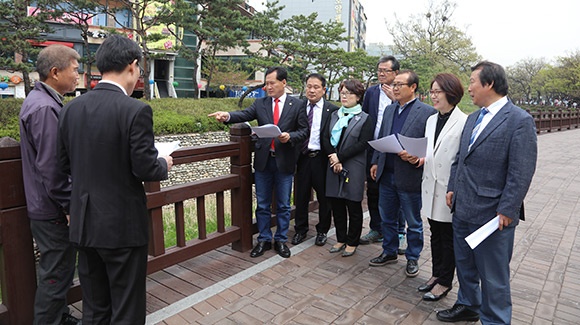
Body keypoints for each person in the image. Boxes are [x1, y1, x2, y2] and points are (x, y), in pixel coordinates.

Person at [57, 35, 173, 324]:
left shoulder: (71, 109)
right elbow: (146, 168)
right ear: (132, 66)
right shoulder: (135, 110)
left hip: (85, 223)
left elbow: (62, 164)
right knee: (127, 308)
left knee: (94, 307)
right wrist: (164, 163)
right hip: (122, 225)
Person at [437, 61, 537, 324]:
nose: (468, 87)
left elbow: (521, 170)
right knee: (466, 265)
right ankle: (468, 304)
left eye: (472, 81)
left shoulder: (519, 120)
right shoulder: (473, 118)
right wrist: (452, 188)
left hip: (493, 214)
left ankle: (495, 319)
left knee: (494, 275)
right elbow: (460, 158)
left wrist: (508, 208)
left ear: (489, 83)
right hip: (463, 206)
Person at [209, 67, 308, 258]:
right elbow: (244, 114)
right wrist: (227, 116)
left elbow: (304, 131)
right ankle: (263, 239)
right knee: (262, 204)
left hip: (284, 161)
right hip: (264, 161)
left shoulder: (297, 105)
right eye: (266, 83)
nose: (267, 87)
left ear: (284, 83)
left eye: (272, 83)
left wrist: (290, 136)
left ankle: (280, 239)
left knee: (284, 204)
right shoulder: (261, 103)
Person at [19, 45, 81, 325]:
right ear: (55, 73)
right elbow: (52, 167)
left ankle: (61, 317)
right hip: (51, 208)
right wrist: (68, 204)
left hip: (45, 204)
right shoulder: (45, 108)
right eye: (75, 69)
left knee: (59, 271)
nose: (78, 75)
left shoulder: (42, 101)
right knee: (55, 275)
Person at [368, 70, 435, 277]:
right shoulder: (390, 109)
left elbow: (432, 145)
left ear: (413, 87)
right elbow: (383, 136)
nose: (394, 88)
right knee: (387, 217)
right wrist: (376, 161)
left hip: (409, 173)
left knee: (413, 222)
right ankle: (389, 251)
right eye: (394, 85)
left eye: (399, 85)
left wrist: (418, 158)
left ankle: (413, 257)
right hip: (386, 172)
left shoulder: (427, 112)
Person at [413, 73, 467, 301]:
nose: (432, 96)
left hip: (447, 188)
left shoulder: (464, 122)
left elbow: (461, 158)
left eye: (437, 92)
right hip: (430, 185)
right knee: (435, 232)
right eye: (431, 91)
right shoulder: (431, 120)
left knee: (448, 236)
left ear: (450, 93)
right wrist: (419, 157)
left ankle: (445, 281)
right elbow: (430, 151)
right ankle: (436, 274)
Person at [360, 55, 407, 255]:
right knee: (373, 190)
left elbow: (407, 114)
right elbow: (364, 116)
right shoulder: (371, 92)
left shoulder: (402, 93)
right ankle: (376, 228)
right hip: (374, 147)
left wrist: (394, 99)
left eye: (385, 71)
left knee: (398, 191)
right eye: (379, 70)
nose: (381, 74)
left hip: (396, 149)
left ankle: (400, 232)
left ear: (396, 73)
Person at [322, 79, 373, 257]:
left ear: (358, 97)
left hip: (354, 165)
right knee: (336, 203)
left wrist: (340, 157)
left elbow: (363, 143)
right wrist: (333, 158)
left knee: (353, 204)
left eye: (349, 93)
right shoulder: (335, 115)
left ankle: (352, 241)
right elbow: (325, 137)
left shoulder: (365, 118)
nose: (344, 96)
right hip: (333, 164)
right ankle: (340, 238)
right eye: (342, 92)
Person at [291, 73, 338, 246]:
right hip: (303, 157)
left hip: (321, 159)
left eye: (316, 87)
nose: (311, 90)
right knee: (301, 196)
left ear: (324, 90)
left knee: (325, 198)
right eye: (309, 86)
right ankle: (300, 230)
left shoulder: (332, 110)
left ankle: (322, 231)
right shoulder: (298, 106)